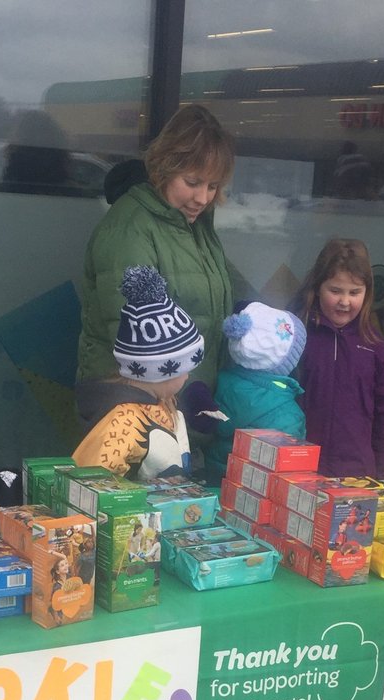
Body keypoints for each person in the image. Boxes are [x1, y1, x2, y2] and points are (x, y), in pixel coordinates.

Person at [76, 104, 235, 403]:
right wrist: (188, 403)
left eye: (213, 186)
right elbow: (141, 347)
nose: (203, 198)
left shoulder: (194, 225)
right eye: (192, 182)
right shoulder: (131, 231)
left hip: (181, 402)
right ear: (165, 167)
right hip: (138, 408)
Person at [72, 265, 206, 481]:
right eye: (184, 370)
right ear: (160, 373)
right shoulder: (124, 422)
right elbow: (92, 482)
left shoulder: (162, 401)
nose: (188, 376)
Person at [292, 238, 384, 479]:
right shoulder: (296, 336)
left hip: (357, 473)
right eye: (335, 291)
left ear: (367, 293)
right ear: (318, 287)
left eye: (354, 292)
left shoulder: (376, 346)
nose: (344, 301)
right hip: (300, 468)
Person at [204, 301, 307, 486]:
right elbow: (288, 472)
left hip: (217, 485)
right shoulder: (288, 413)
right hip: (259, 493)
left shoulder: (220, 384)